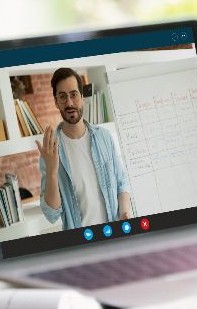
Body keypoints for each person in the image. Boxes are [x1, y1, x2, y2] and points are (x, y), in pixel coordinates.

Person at [36, 67, 133, 230]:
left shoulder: (104, 137)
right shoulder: (51, 151)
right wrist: (52, 170)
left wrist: (124, 213)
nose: (69, 103)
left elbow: (121, 183)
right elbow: (51, 214)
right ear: (56, 102)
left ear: (82, 97)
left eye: (73, 95)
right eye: (63, 97)